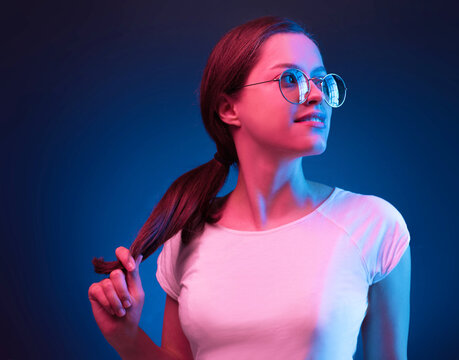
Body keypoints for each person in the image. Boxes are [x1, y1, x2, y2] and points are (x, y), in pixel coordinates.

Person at [88, 16, 411, 360]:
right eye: (290, 79)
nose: (317, 95)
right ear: (229, 108)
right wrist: (127, 339)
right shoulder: (185, 236)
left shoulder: (373, 225)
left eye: (320, 80)